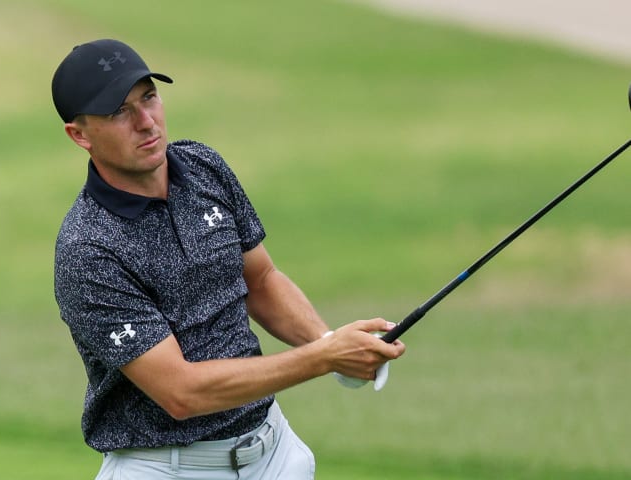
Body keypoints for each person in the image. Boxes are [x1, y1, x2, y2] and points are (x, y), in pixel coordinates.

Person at [51, 38, 406, 480]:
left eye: (149, 97)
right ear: (79, 134)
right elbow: (181, 392)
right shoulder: (88, 249)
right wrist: (326, 357)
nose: (146, 123)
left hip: (274, 455)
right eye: (119, 112)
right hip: (168, 468)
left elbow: (260, 279)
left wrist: (329, 341)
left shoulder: (202, 166)